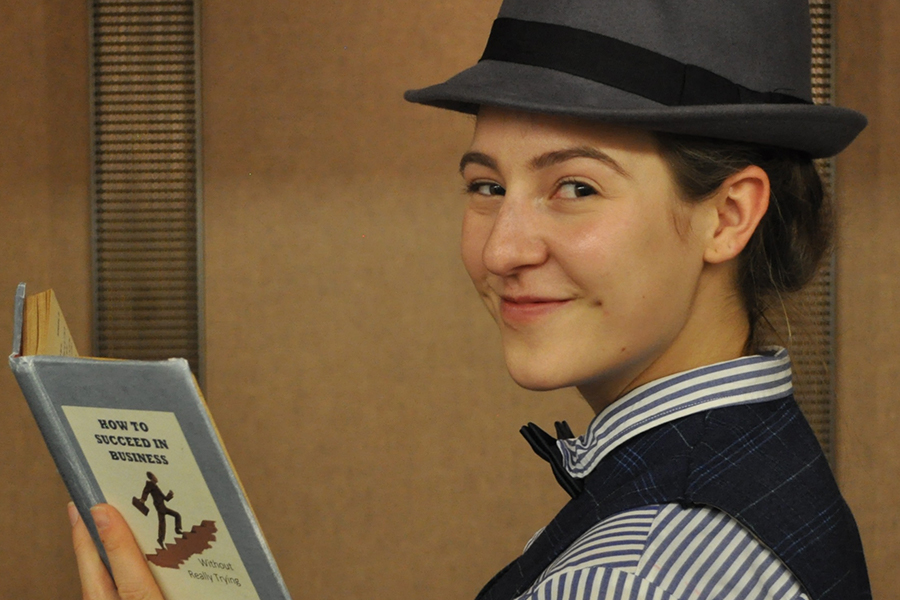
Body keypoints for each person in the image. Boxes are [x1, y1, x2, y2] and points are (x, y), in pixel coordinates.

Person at [69, 0, 870, 599]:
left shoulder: (636, 568)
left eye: (575, 186)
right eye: (486, 185)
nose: (500, 249)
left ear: (728, 215)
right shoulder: (759, 464)